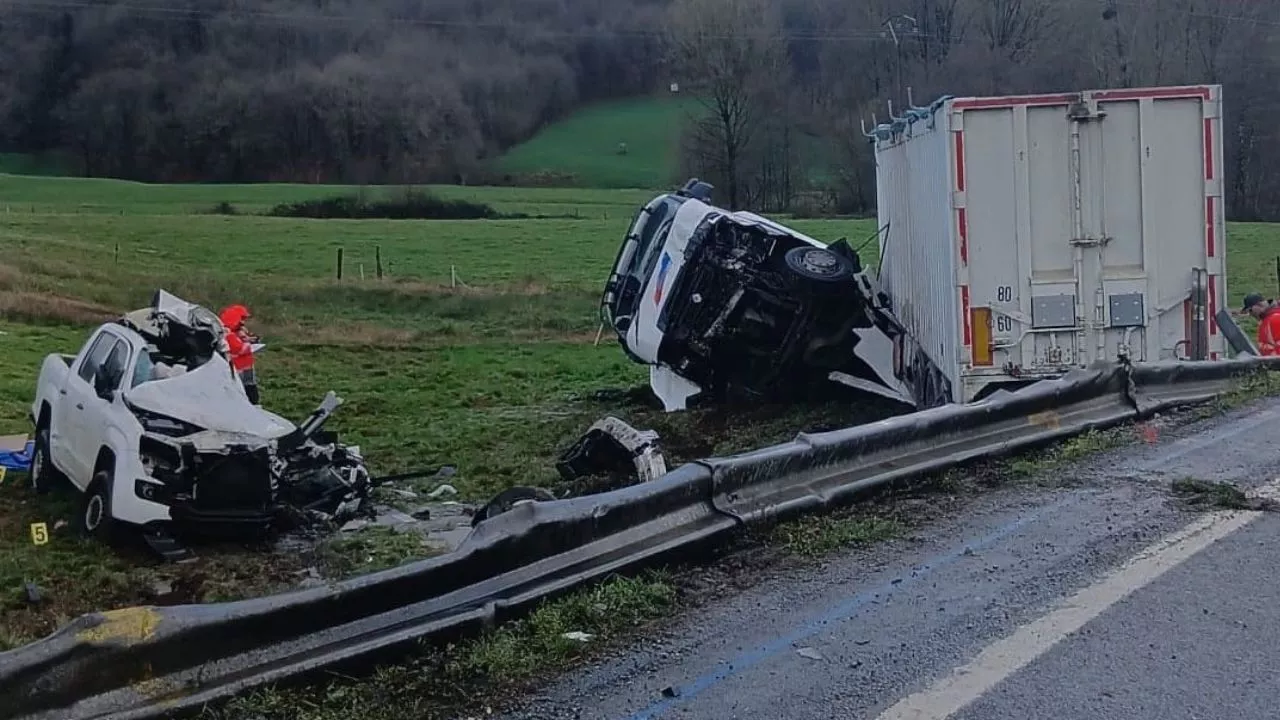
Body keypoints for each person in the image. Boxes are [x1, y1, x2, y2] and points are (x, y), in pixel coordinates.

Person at [219, 304, 261, 404]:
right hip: (237, 370)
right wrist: (248, 344)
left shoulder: (237, 332)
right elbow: (239, 348)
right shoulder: (228, 334)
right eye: (241, 319)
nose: (243, 322)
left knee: (250, 389)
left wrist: (248, 338)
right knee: (245, 393)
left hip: (246, 368)